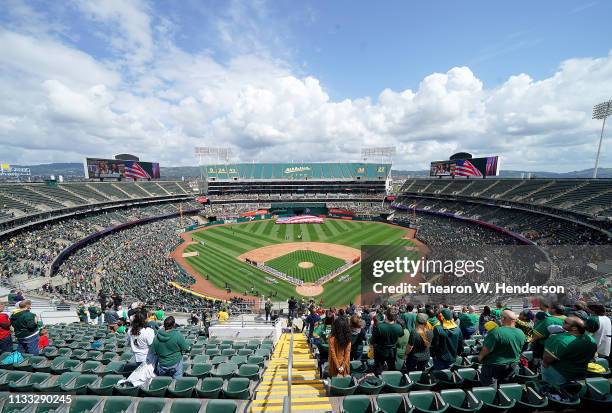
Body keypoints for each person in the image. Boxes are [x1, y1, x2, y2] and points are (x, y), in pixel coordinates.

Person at [542, 316, 597, 386]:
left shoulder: (561, 340)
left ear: (574, 328)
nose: (563, 323)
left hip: (560, 373)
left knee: (554, 392)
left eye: (566, 322)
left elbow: (547, 360)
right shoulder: (591, 339)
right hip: (580, 373)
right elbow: (591, 357)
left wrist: (545, 365)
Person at [478, 310, 526, 386]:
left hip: (493, 366)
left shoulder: (495, 332)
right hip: (512, 365)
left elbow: (485, 350)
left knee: (491, 390)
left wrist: (480, 358)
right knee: (505, 389)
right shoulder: (521, 332)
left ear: (503, 319)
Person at [371, 309, 404, 375]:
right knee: (391, 367)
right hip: (392, 351)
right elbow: (401, 335)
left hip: (380, 351)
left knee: (378, 368)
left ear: (386, 316)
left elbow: (372, 341)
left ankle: (379, 383)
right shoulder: (399, 327)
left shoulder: (379, 327)